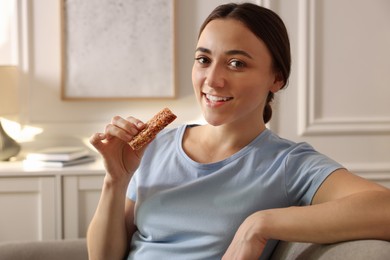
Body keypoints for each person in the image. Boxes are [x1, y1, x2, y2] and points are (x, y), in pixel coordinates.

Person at [87, 3, 390, 260]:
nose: (213, 79)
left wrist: (261, 223)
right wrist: (116, 179)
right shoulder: (153, 147)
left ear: (277, 79)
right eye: (203, 60)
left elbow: (384, 208)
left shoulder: (288, 164)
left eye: (236, 63)